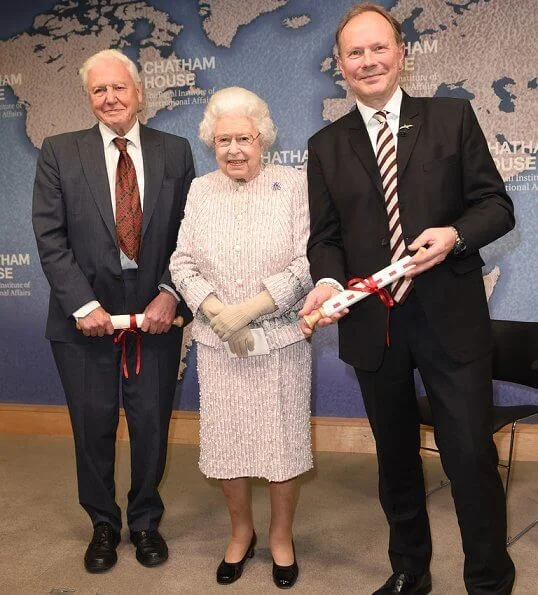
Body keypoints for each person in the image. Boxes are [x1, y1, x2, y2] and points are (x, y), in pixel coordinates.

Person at [300, 4, 515, 594]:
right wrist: (326, 283)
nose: (367, 61)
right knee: (395, 461)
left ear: (400, 54)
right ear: (340, 66)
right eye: (354, 54)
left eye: (378, 49)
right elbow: (326, 239)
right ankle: (409, 571)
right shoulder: (325, 145)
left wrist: (454, 235)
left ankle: (490, 581)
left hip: (452, 321)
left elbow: (497, 206)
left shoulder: (451, 118)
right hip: (375, 327)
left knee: (470, 458)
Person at [32, 49, 194, 573]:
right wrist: (83, 303)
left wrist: (171, 292)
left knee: (150, 423)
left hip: (156, 315)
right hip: (83, 318)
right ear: (89, 98)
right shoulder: (59, 151)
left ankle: (145, 520)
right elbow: (51, 237)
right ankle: (103, 523)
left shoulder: (175, 151)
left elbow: (190, 237)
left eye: (119, 87)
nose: (110, 98)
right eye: (99, 90)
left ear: (139, 91)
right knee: (93, 424)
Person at [170, 87, 313, 589]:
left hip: (280, 342)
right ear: (212, 142)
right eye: (223, 139)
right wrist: (214, 311)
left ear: (262, 139)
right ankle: (240, 532)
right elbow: (181, 260)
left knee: (282, 445)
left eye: (244, 138)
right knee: (227, 444)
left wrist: (251, 309)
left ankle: (280, 537)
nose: (234, 149)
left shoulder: (294, 184)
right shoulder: (200, 189)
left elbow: (306, 262)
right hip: (218, 345)